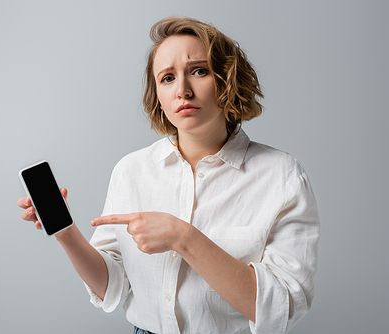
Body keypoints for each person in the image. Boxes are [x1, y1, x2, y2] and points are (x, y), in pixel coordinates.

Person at [17, 16, 320, 334]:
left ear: (228, 79)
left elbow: (281, 307)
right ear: (158, 97)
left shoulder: (282, 176)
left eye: (199, 71)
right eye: (167, 78)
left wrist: (183, 237)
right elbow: (112, 289)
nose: (183, 91)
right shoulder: (131, 171)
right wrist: (66, 233)